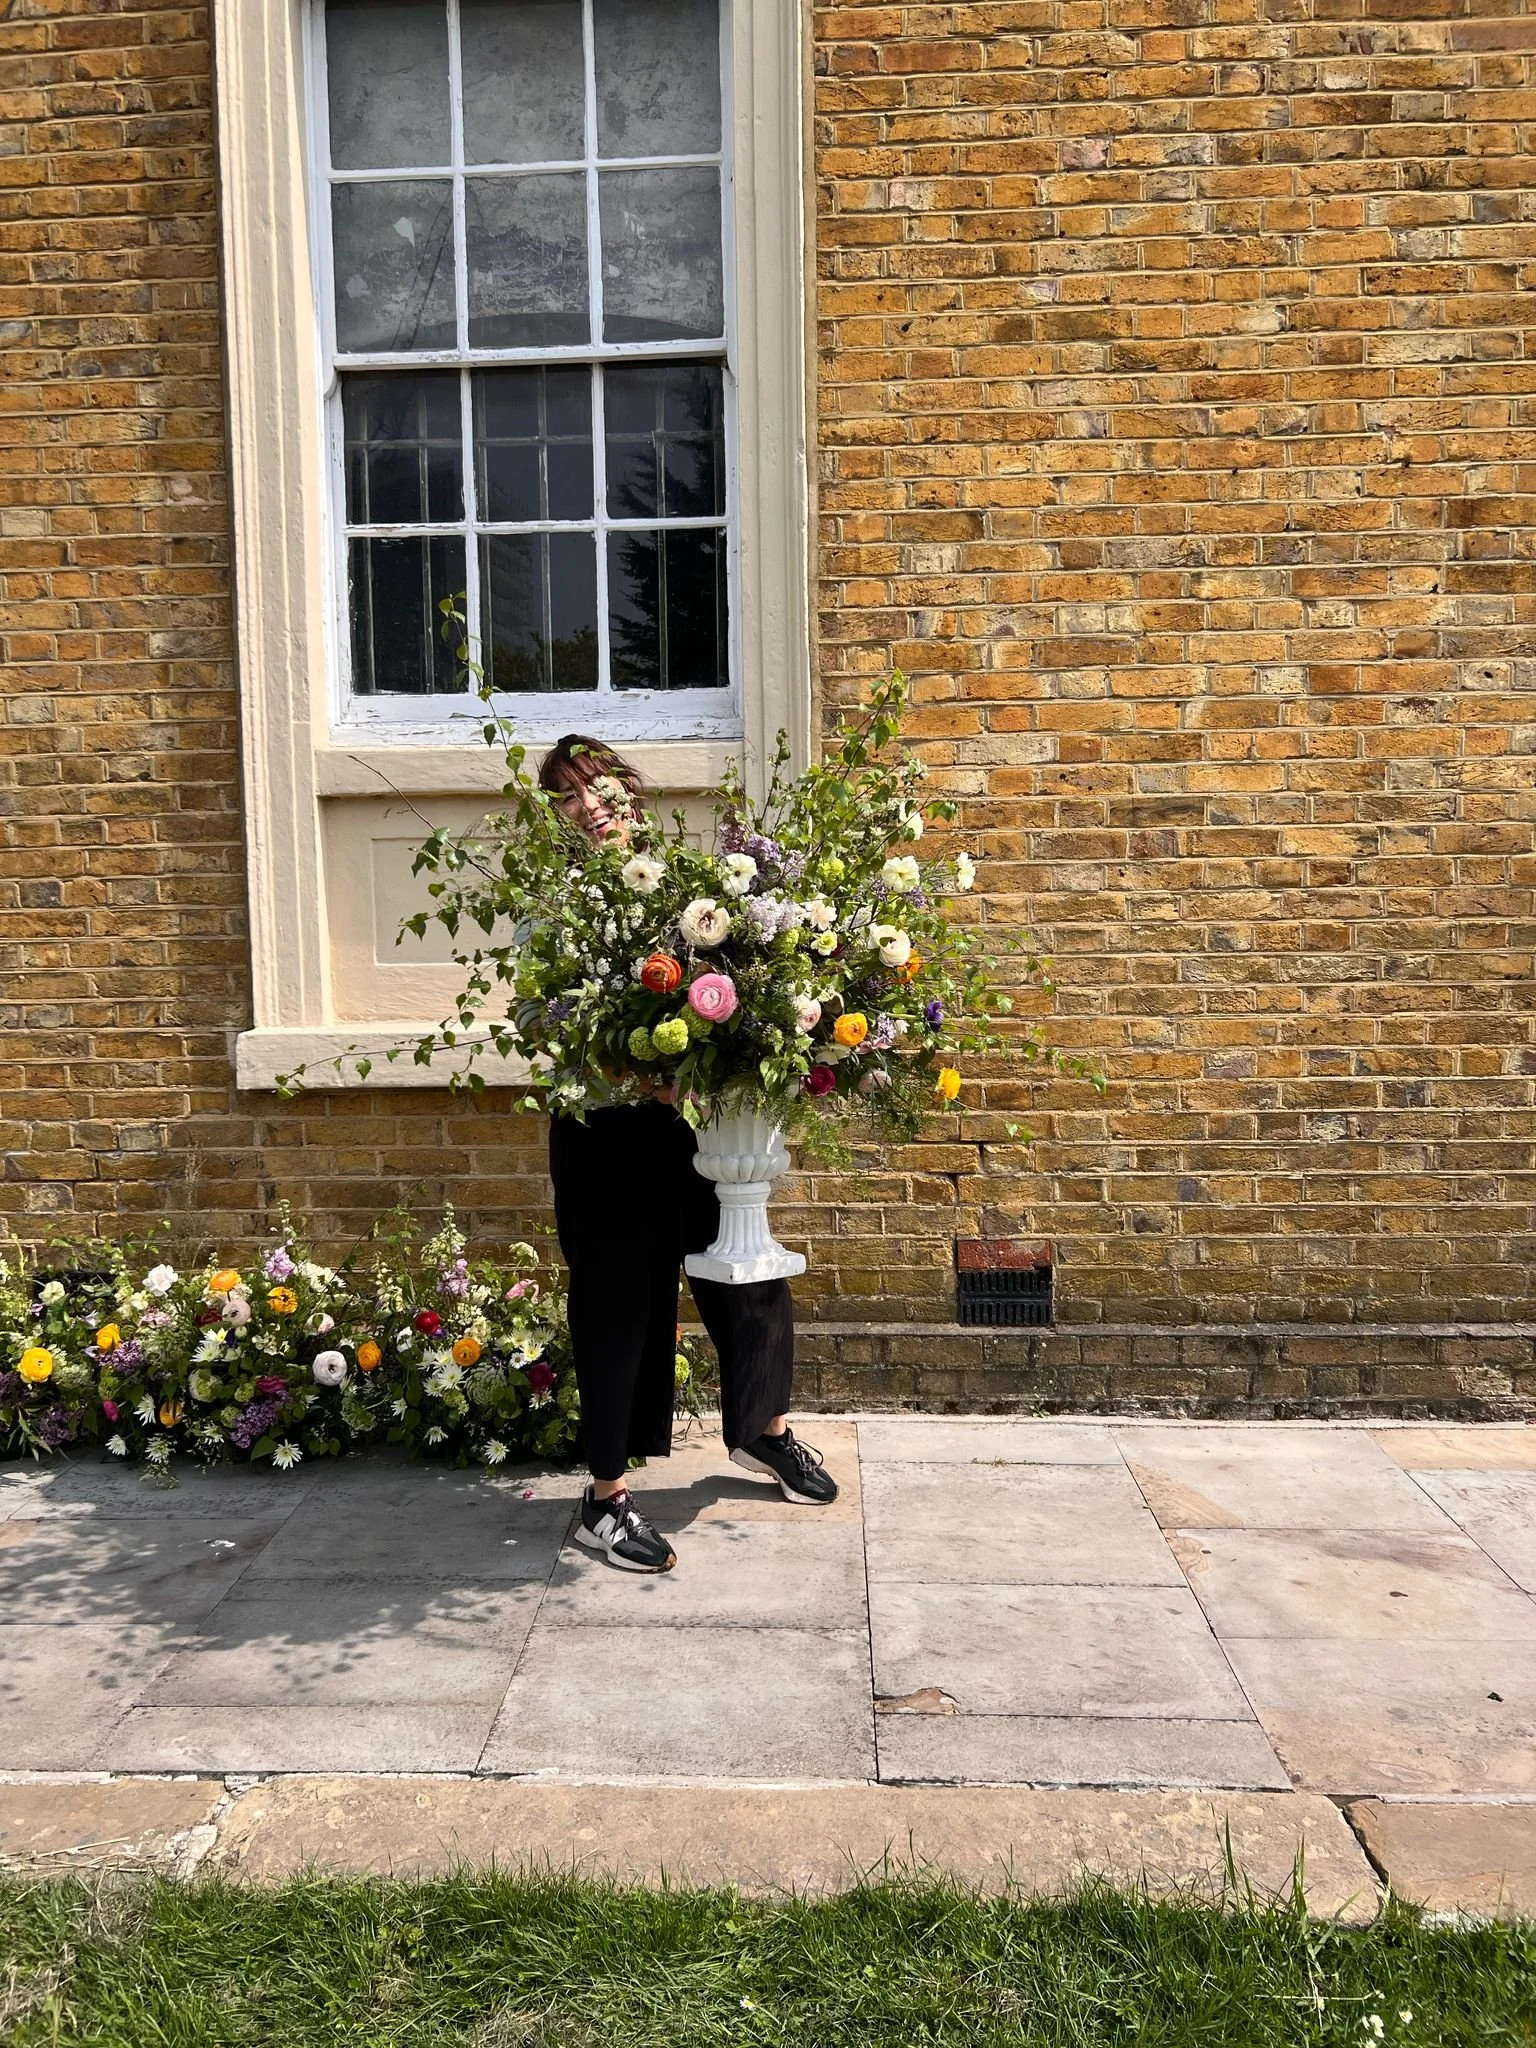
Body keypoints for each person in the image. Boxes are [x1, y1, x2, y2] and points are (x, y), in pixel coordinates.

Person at [539, 734, 837, 1573]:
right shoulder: (552, 905)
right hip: (603, 1134)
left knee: (747, 1276)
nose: (590, 808)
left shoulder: (690, 890)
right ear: (556, 820)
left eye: (598, 788)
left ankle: (762, 1432)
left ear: (631, 791)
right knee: (619, 1306)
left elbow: (733, 992)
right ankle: (604, 1498)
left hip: (695, 1128)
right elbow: (544, 1023)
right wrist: (638, 1073)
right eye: (568, 799)